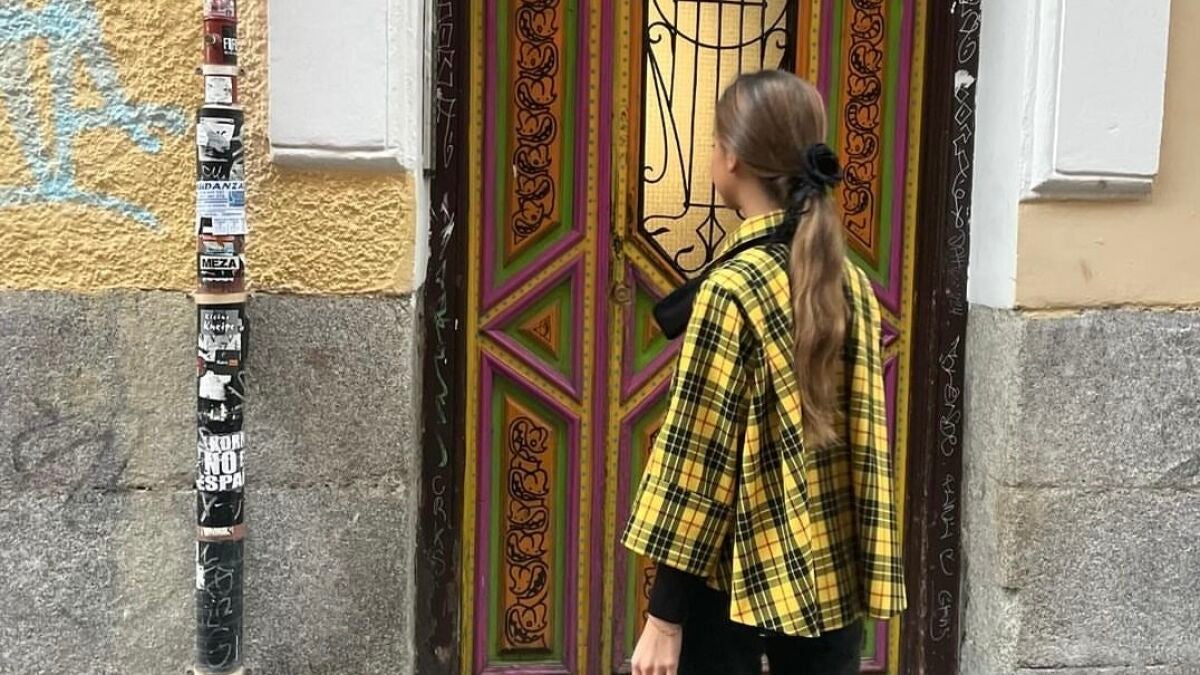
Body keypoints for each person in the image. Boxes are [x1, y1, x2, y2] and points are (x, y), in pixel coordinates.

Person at [621, 70, 907, 675]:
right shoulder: (851, 282)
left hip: (734, 593)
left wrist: (664, 619)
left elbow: (697, 461)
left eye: (713, 141)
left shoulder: (733, 289)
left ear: (731, 157)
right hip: (829, 584)